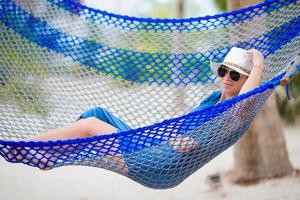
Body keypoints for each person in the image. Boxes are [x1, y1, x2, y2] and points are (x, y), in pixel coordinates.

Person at [14, 47, 265, 175]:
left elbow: (246, 101)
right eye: (223, 71)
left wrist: (259, 67)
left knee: (91, 125)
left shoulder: (234, 112)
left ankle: (24, 147)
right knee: (97, 112)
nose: (227, 78)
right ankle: (52, 158)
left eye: (236, 75)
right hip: (156, 145)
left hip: (162, 163)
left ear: (246, 80)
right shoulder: (213, 99)